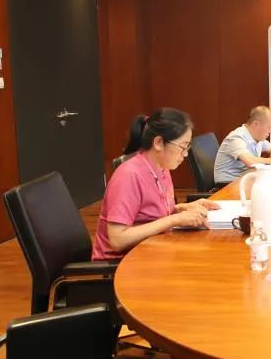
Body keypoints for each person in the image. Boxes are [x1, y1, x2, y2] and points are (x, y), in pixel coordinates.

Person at [92, 108, 219, 261]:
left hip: (152, 251)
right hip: (122, 263)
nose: (185, 154)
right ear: (158, 143)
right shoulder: (129, 175)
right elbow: (118, 240)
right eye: (182, 147)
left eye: (188, 147)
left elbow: (150, 213)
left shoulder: (161, 168)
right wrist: (175, 220)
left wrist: (183, 208)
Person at [214, 106, 271, 184]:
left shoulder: (257, 137)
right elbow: (250, 162)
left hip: (245, 180)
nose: (270, 131)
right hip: (228, 185)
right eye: (269, 127)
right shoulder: (236, 137)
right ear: (256, 124)